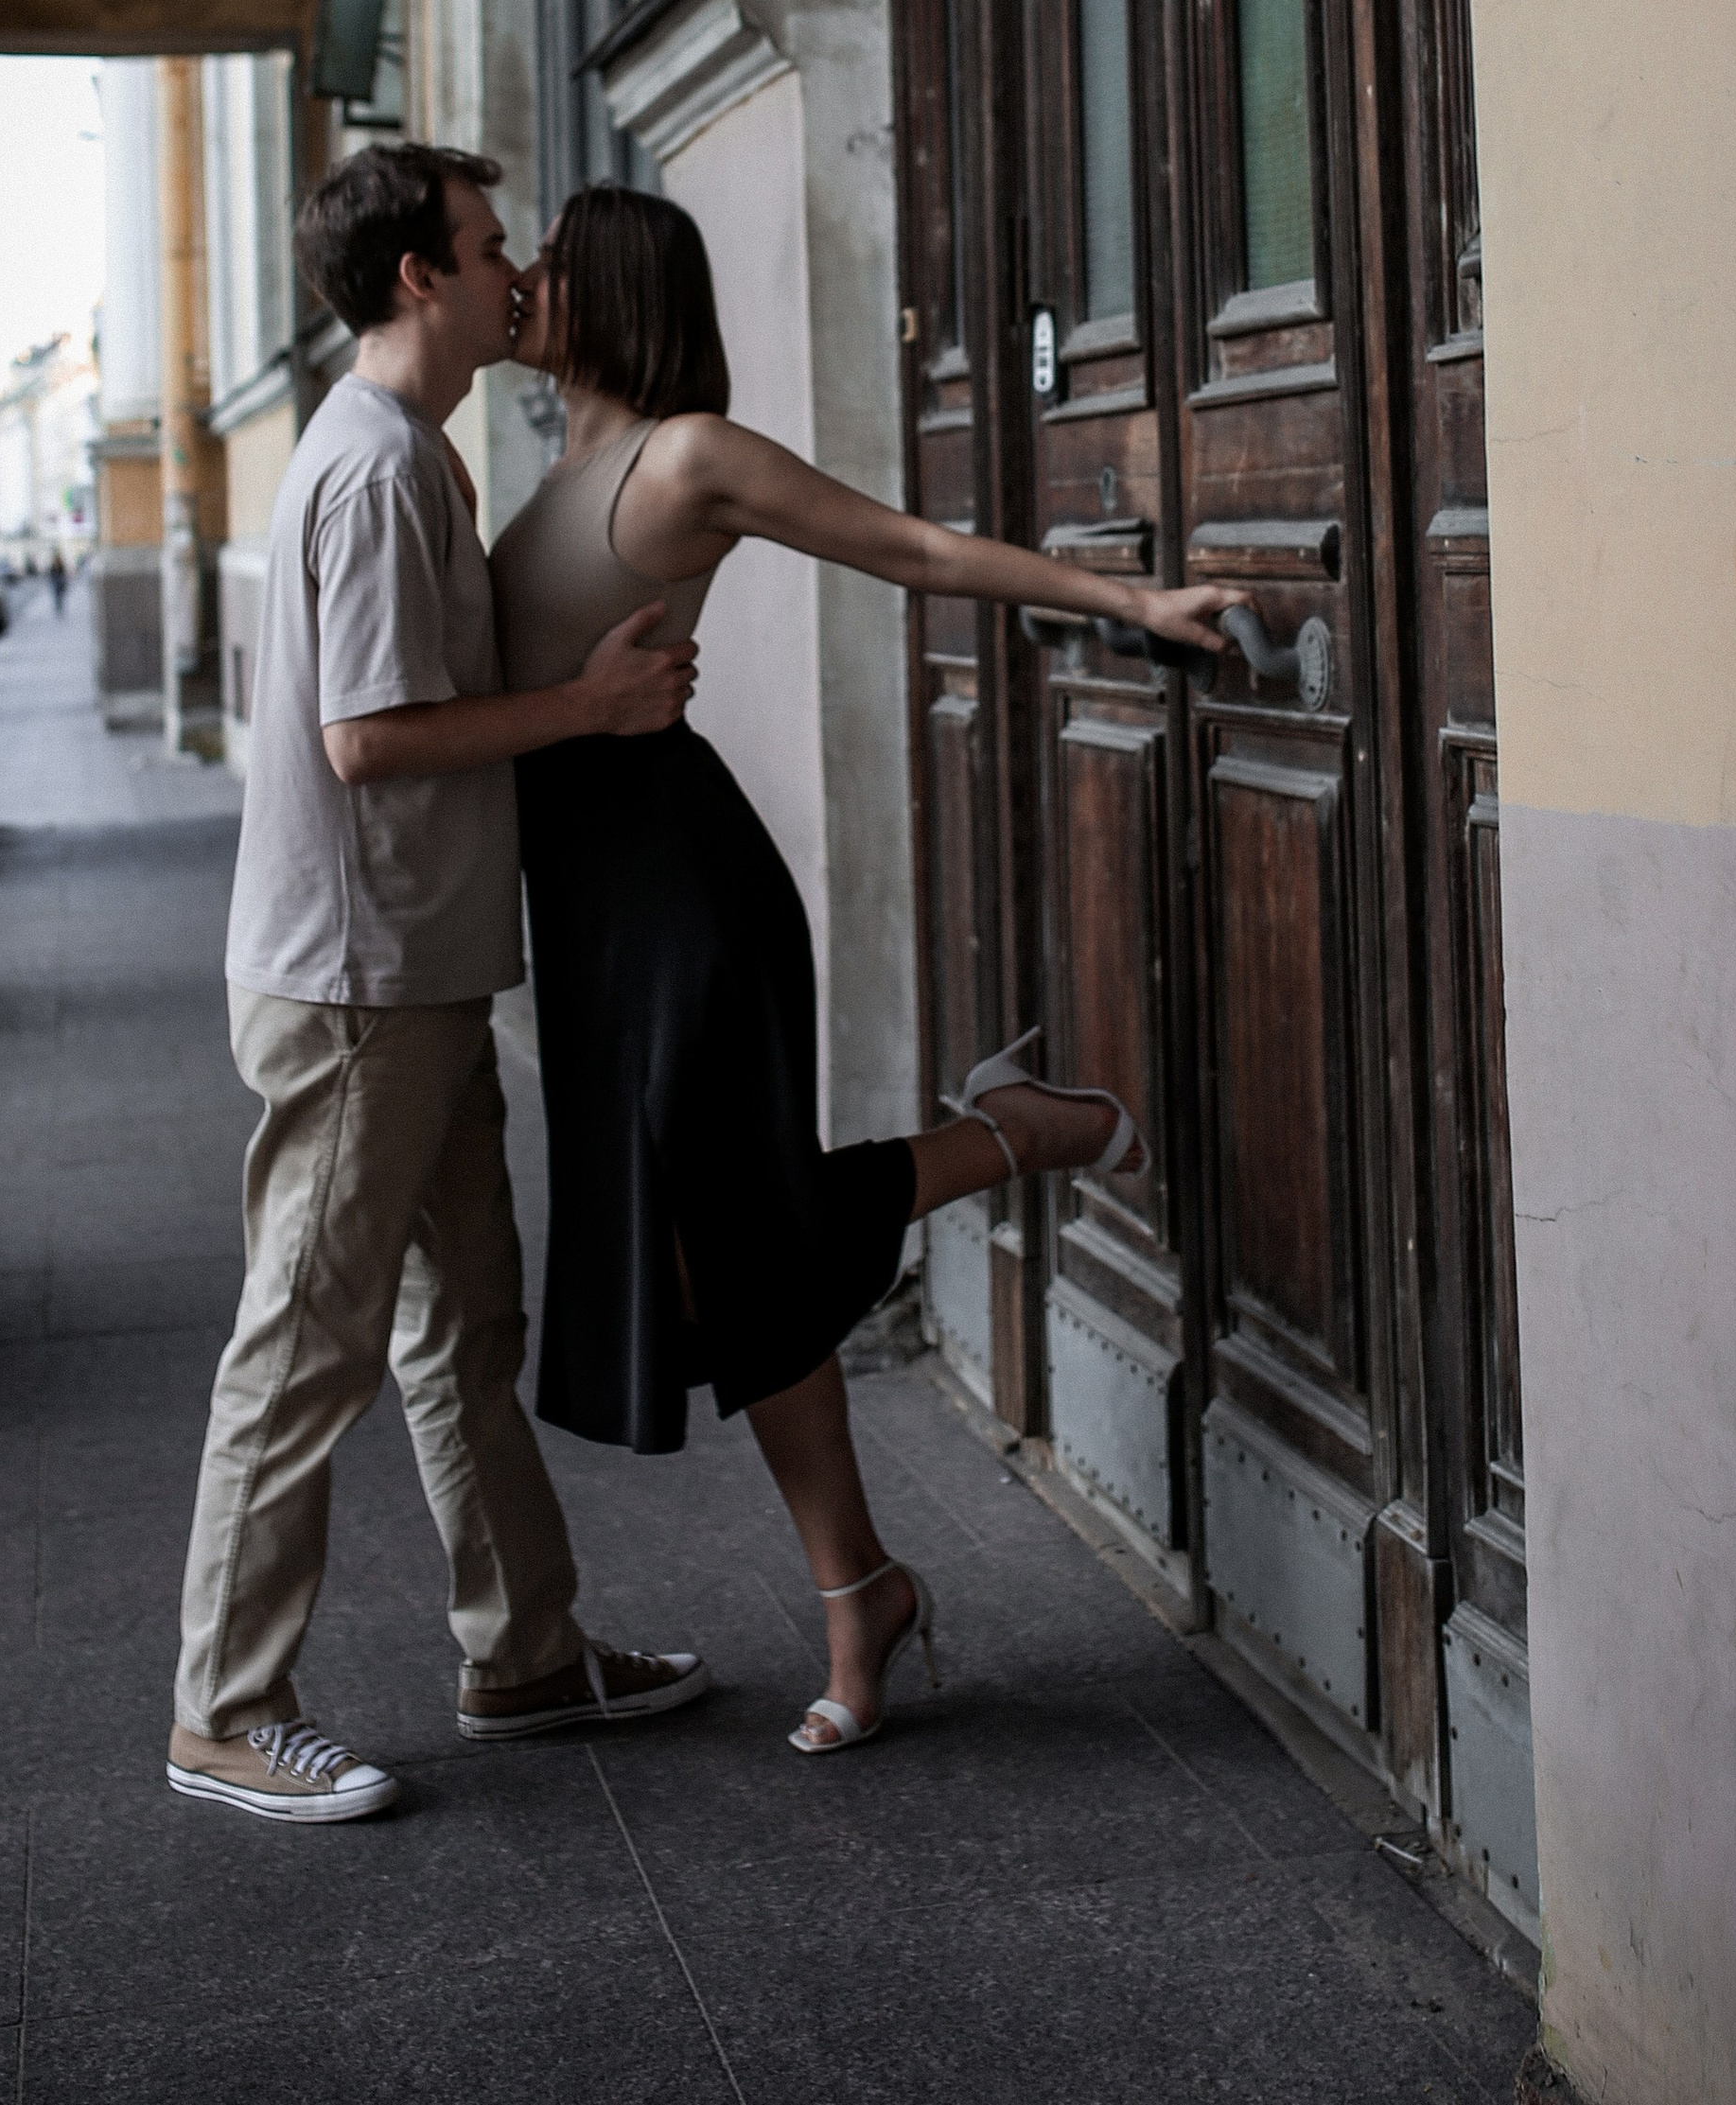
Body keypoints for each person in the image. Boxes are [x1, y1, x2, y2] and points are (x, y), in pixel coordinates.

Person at [492, 180, 1233, 1757]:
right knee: (734, 1255)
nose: (525, 279)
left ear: (612, 285)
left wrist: (1128, 600)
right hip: (594, 913)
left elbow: (908, 547)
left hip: (685, 894)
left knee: (720, 1255)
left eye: (550, 261)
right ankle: (865, 1589)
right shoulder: (547, 464)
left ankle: (1021, 1134)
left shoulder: (683, 452)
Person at [167, 144, 712, 1824]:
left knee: (464, 1321)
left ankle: (524, 1648)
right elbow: (370, 739)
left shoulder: (407, 449)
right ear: (420, 276)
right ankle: (226, 1709)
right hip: (360, 985)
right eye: (487, 248)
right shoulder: (385, 469)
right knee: (310, 1340)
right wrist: (595, 710)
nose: (514, 277)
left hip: (415, 966)